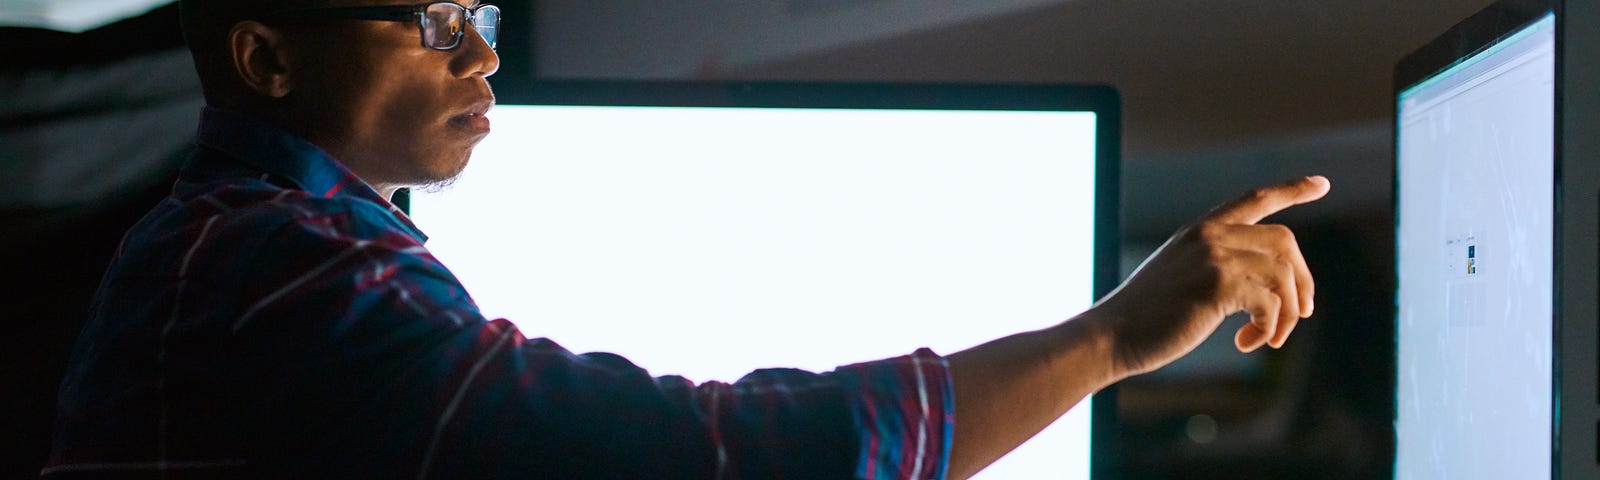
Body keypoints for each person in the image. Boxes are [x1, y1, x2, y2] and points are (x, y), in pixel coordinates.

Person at [43, 0, 1331, 478]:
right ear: (265, 56)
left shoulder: (266, 236)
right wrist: (1108, 337)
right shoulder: (281, 272)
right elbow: (695, 453)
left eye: (478, 10)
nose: (484, 54)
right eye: (432, 23)